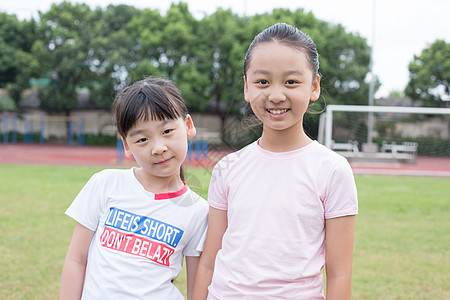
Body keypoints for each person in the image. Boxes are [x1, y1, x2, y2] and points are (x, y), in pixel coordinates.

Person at [193, 23, 358, 300]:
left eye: (291, 81)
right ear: (247, 88)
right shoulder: (227, 169)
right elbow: (209, 261)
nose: (276, 95)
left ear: (314, 86)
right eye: (263, 82)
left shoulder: (332, 170)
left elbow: (339, 273)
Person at [60, 77, 209, 300]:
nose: (158, 148)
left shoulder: (199, 211)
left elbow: (196, 288)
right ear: (126, 145)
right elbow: (76, 260)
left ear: (188, 126)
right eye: (142, 140)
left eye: (167, 131)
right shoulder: (106, 184)